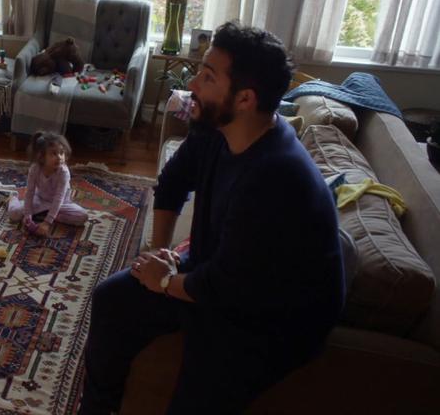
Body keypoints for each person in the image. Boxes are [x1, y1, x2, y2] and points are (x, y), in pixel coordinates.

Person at [78, 22, 345, 414]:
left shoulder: (275, 178)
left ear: (245, 99)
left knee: (196, 392)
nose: (194, 85)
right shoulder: (215, 130)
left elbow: (224, 289)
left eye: (208, 76)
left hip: (272, 318)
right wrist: (161, 252)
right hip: (222, 274)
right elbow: (171, 183)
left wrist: (167, 281)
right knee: (113, 298)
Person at [7, 131, 88, 236]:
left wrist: (47, 222)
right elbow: (30, 193)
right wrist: (27, 215)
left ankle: (45, 214)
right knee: (14, 214)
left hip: (62, 204)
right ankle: (12, 197)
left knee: (82, 216)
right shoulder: (35, 169)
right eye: (53, 153)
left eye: (61, 152)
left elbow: (59, 198)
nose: (59, 157)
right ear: (41, 157)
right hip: (40, 200)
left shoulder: (63, 172)